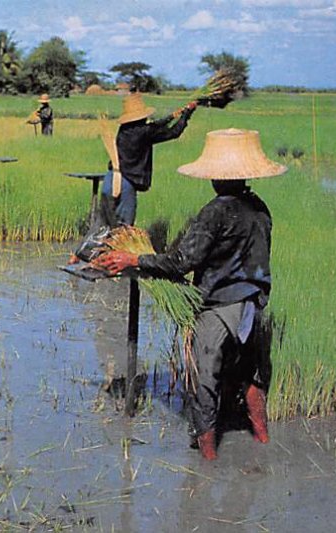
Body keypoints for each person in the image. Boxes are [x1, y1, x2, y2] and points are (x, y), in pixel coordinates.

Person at [94, 128, 287, 460]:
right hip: (253, 304)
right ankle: (263, 440)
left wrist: (135, 259)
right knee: (249, 374)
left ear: (216, 176)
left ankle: (207, 462)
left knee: (203, 380)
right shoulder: (259, 207)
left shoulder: (216, 212)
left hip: (220, 307)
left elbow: (181, 262)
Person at [102, 93, 196, 227]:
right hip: (125, 184)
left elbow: (153, 126)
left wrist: (172, 116)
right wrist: (187, 114)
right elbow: (174, 132)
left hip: (110, 180)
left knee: (105, 228)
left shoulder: (125, 129)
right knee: (124, 230)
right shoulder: (144, 132)